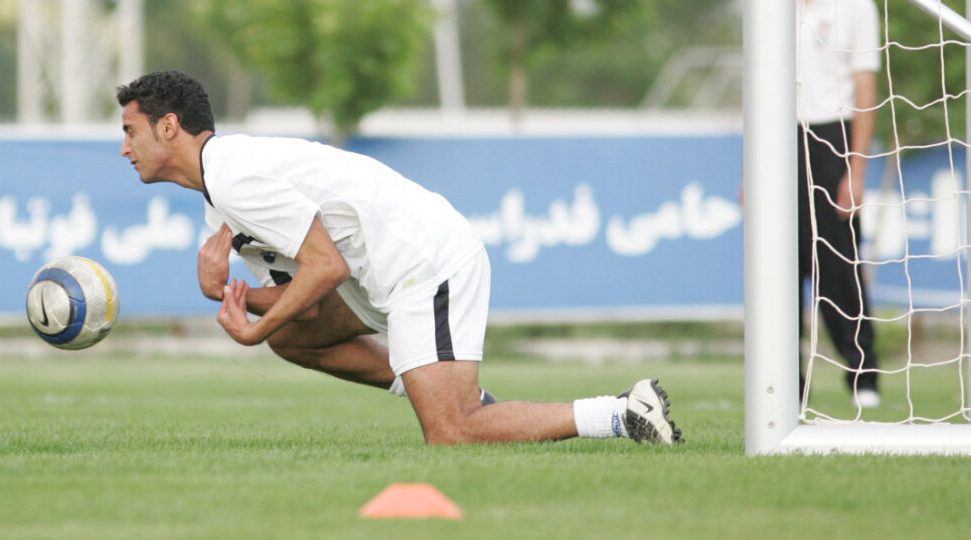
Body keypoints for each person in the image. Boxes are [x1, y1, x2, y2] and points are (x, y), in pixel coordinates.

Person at [116, 70, 682, 445]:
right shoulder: (219, 200)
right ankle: (450, 391)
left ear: (169, 126)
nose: (124, 148)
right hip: (379, 276)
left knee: (452, 433)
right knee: (293, 338)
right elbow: (305, 306)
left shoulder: (233, 176)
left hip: (423, 260)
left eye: (130, 131)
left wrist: (251, 331)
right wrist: (225, 293)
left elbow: (326, 269)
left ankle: (621, 412)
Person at [797, 0, 881, 408]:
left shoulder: (853, 3)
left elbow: (866, 88)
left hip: (833, 137)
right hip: (779, 139)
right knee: (779, 265)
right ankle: (785, 382)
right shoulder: (766, 4)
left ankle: (863, 376)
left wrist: (857, 167)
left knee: (837, 263)